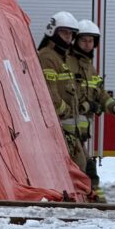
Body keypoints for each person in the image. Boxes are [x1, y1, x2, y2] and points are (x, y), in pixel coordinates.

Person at [69, 20, 115, 201]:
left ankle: (92, 197)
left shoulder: (89, 67)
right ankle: (91, 198)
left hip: (81, 130)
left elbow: (99, 92)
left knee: (86, 165)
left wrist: (113, 106)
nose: (87, 44)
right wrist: (87, 106)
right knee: (84, 165)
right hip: (68, 127)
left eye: (91, 41)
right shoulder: (68, 62)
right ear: (76, 41)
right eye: (83, 40)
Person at [37, 11, 88, 179]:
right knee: (74, 169)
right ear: (53, 32)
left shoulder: (62, 58)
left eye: (71, 34)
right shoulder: (48, 57)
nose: (68, 37)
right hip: (58, 126)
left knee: (81, 165)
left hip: (68, 129)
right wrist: (66, 111)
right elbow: (50, 95)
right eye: (64, 32)